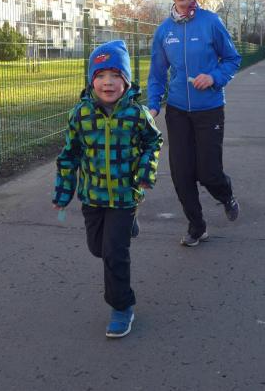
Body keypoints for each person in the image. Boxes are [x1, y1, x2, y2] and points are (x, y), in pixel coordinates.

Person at [52, 39, 163, 339]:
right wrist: (63, 192)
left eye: (115, 75)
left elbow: (154, 141)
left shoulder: (137, 114)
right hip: (93, 195)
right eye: (100, 75)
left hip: (125, 196)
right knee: (97, 247)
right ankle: (127, 229)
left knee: (114, 253)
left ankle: (121, 306)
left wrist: (145, 170)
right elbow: (69, 155)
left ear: (126, 81)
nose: (108, 82)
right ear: (92, 80)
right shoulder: (80, 115)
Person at [147, 0, 242, 247]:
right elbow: (157, 74)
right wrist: (153, 105)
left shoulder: (211, 22)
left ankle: (226, 195)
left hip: (209, 109)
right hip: (177, 111)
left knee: (209, 172)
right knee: (181, 173)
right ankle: (197, 226)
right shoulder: (164, 31)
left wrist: (213, 78)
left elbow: (232, 59)